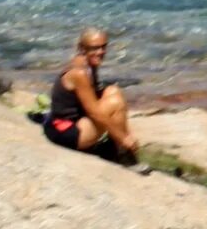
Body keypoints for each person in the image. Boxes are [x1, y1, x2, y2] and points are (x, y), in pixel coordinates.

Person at [41, 29, 139, 165]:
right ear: (82, 48)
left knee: (113, 91)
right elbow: (94, 113)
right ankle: (122, 151)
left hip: (70, 122)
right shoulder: (79, 73)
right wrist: (124, 138)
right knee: (115, 103)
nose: (100, 52)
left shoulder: (88, 63)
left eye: (103, 47)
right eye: (94, 48)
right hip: (64, 132)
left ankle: (115, 149)